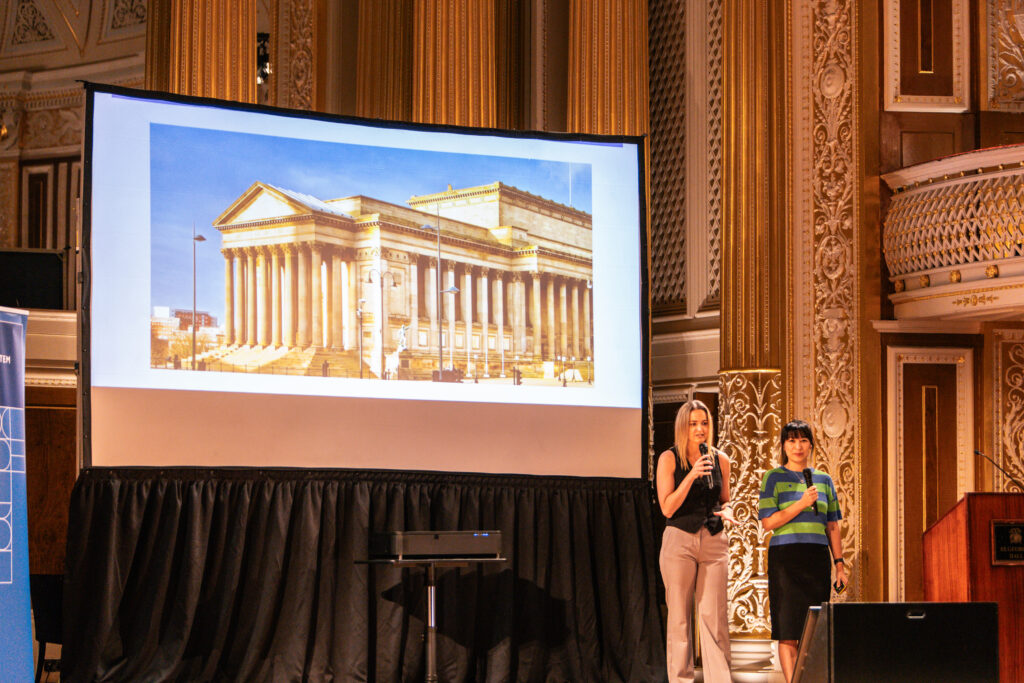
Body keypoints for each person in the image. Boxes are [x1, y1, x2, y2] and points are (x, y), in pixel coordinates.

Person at [758, 419, 848, 683]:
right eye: (791, 440)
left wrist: (840, 565)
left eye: (803, 440)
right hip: (785, 559)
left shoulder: (824, 480)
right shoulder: (772, 478)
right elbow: (768, 522)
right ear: (784, 445)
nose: (797, 446)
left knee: (814, 628)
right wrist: (800, 504)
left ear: (810, 445)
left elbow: (832, 526)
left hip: (816, 558)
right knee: (787, 629)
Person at [657, 399, 736, 682]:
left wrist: (727, 513)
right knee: (679, 618)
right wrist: (691, 475)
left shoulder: (721, 459)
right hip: (679, 539)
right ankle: (680, 679)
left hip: (714, 540)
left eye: (704, 423)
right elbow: (667, 507)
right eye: (693, 424)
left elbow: (725, 501)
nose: (700, 429)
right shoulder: (669, 458)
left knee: (714, 618)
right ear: (683, 427)